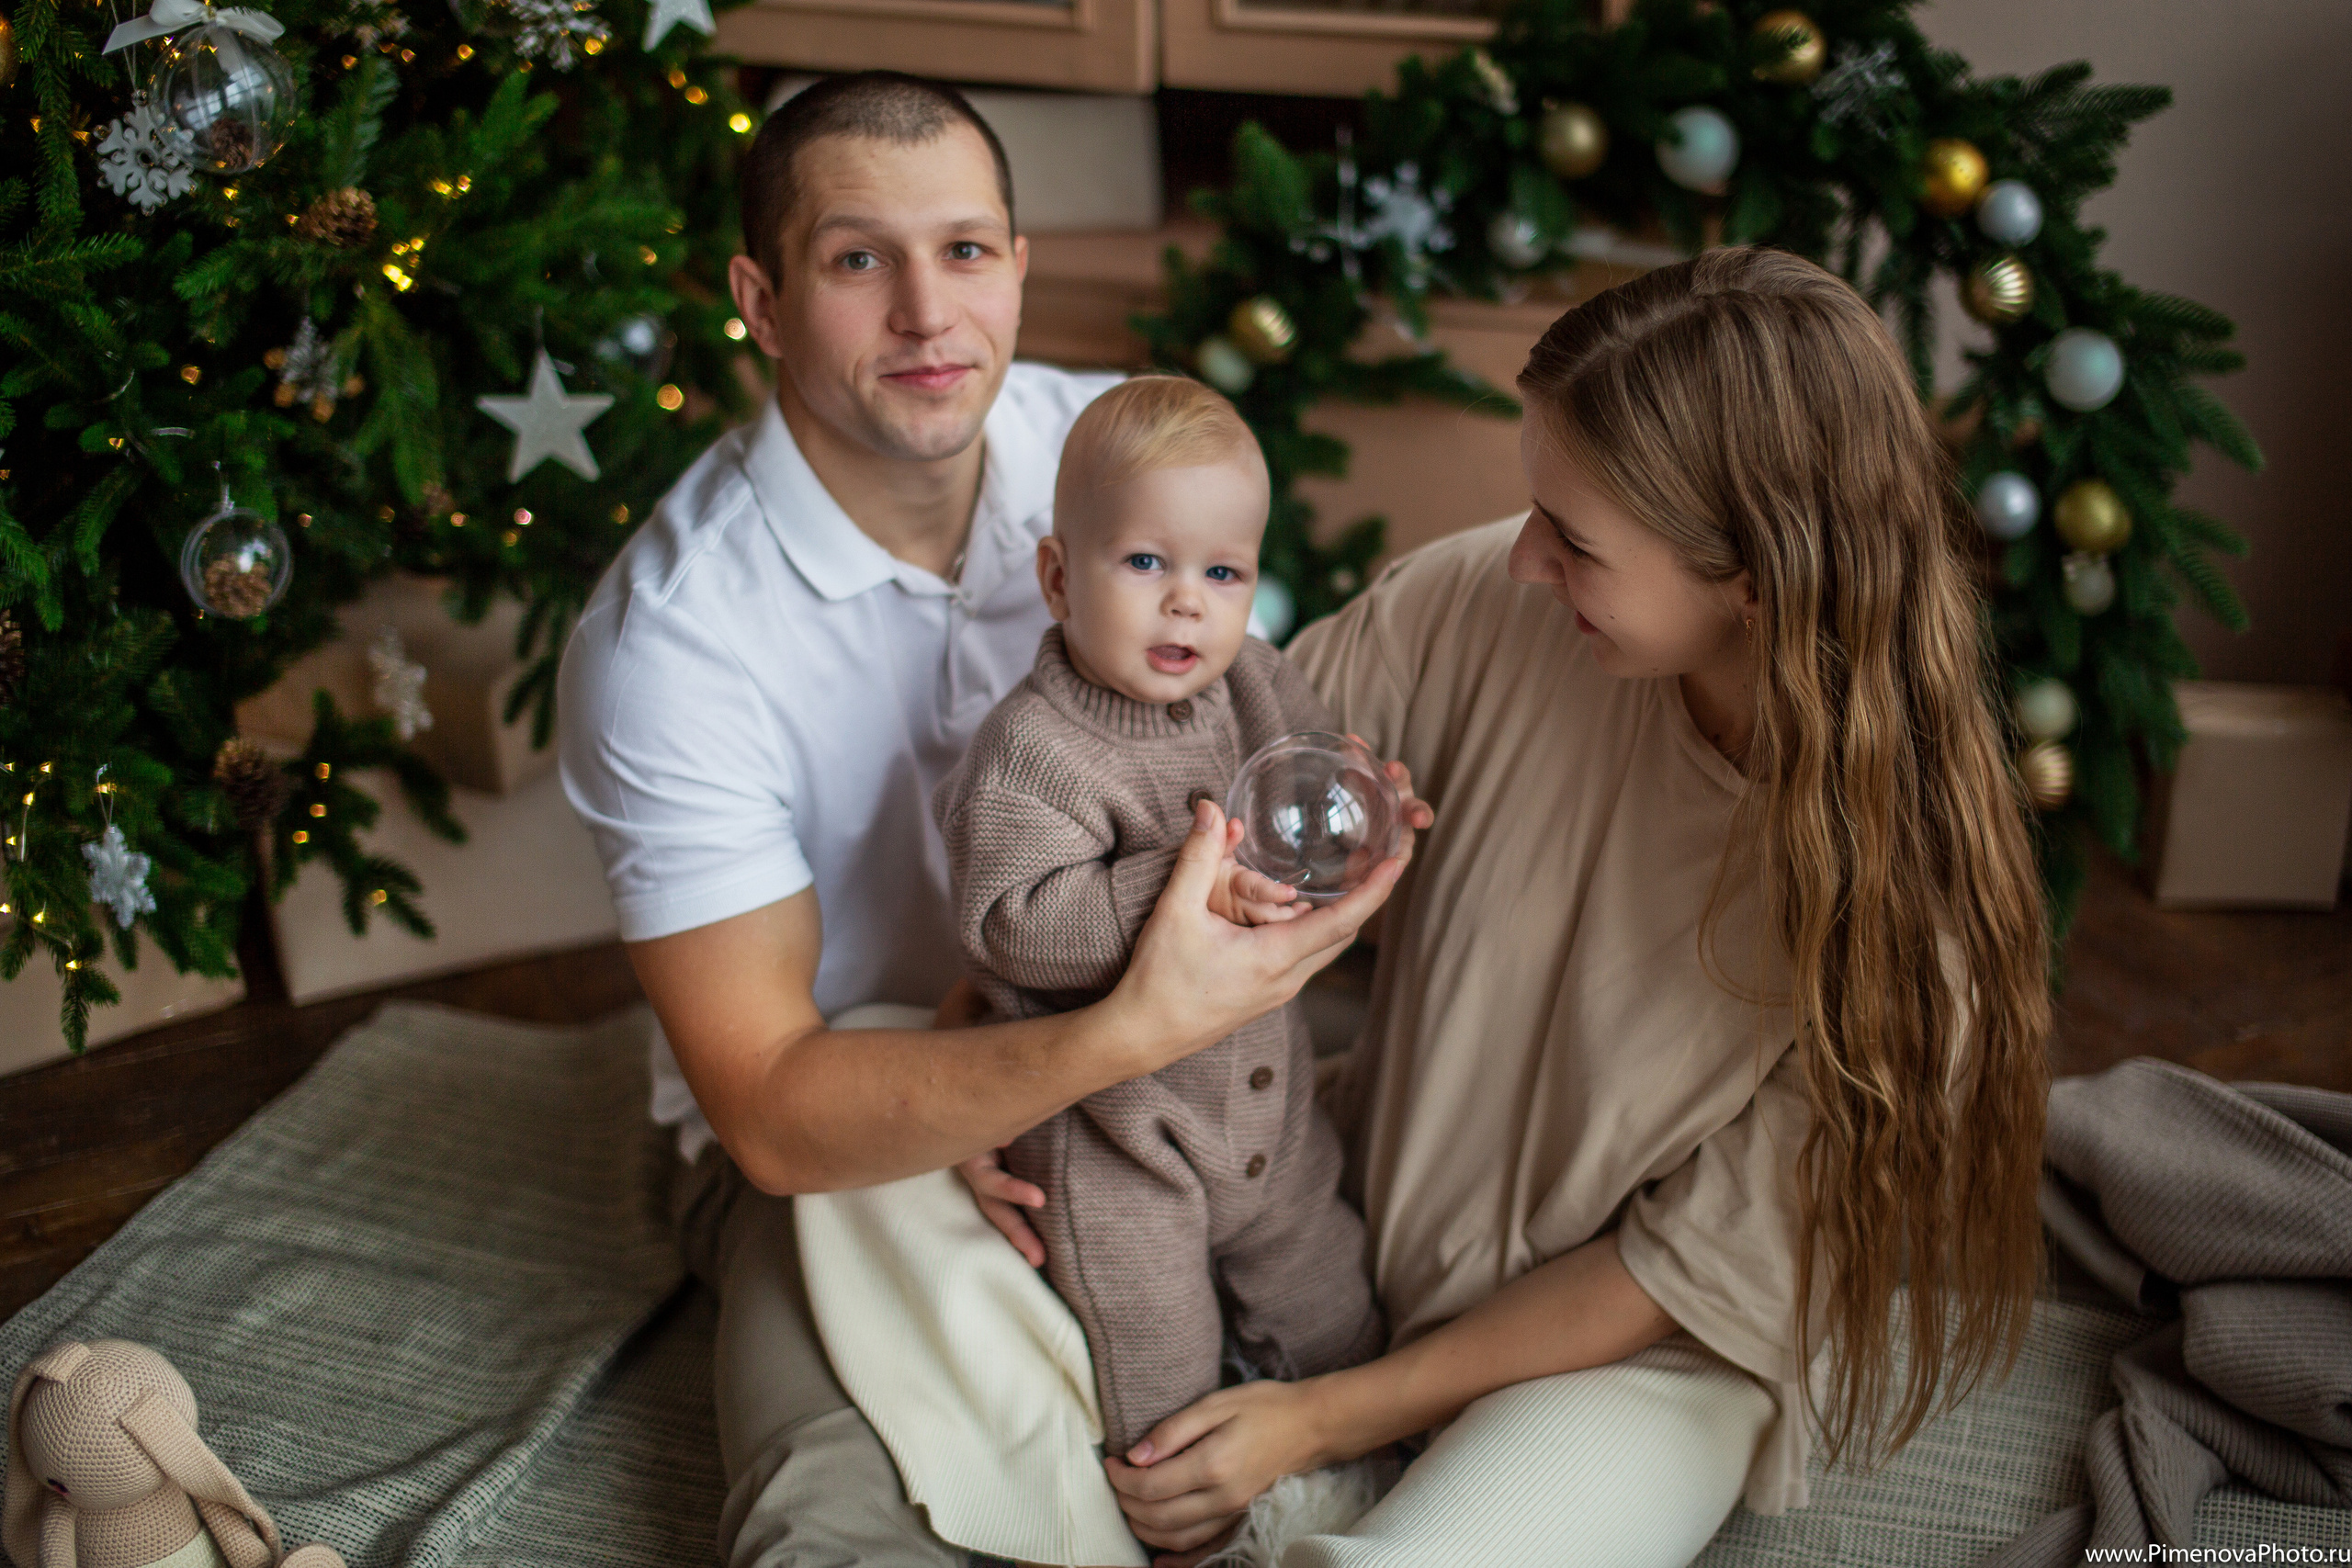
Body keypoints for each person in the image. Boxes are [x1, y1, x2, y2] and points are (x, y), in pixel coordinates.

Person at [965, 248, 2053, 1567]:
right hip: (1345, 1211)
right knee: (869, 1159)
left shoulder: (1910, 894)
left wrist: (1315, 1421)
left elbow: (1676, 1272)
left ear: (1756, 578)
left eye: (1579, 539)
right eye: (1538, 508)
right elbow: (1209, 807)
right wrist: (1001, 1061)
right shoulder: (1485, 599)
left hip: (1623, 1359)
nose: (1529, 558)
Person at [557, 73, 1406, 1568]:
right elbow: (766, 1108)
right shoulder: (671, 643)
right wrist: (1097, 1040)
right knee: (857, 1506)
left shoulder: (1116, 455)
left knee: (1369, 1282)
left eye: (963, 249)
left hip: (1165, 1058)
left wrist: (1329, 828)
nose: (926, 315)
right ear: (759, 297)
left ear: (1018, 263)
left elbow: (1256, 707)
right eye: (856, 258)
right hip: (846, 1129)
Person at [934, 376, 1401, 1460]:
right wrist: (1180, 886)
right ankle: (1182, 1517)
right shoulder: (1029, 754)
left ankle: (1355, 1471)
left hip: (1272, 1121)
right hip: (1117, 1147)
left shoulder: (1256, 688)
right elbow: (1012, 922)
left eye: (1221, 571)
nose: (1186, 600)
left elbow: (1309, 780)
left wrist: (1359, 811)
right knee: (1159, 1372)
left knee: (1334, 1305)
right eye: (1145, 562)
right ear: (1058, 576)